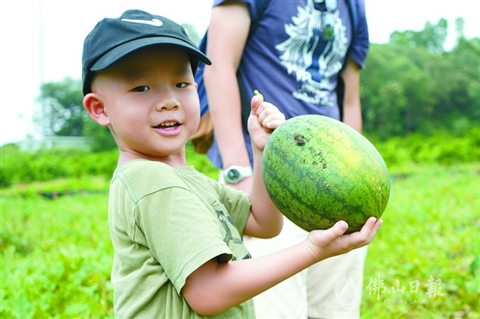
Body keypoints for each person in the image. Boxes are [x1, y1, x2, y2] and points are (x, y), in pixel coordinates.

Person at [82, 9, 381, 319]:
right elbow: (208, 292)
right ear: (99, 108)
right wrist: (311, 250)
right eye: (141, 88)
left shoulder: (187, 180)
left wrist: (262, 151)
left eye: (181, 84)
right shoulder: (152, 181)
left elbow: (264, 223)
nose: (169, 100)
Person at [197, 0, 371, 318]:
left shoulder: (353, 6)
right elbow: (217, 65)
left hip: (332, 186)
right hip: (267, 182)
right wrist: (240, 173)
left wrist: (353, 175)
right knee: (273, 310)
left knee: (336, 311)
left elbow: (349, 98)